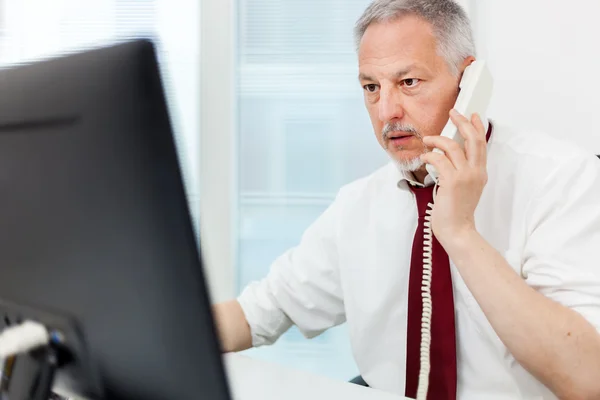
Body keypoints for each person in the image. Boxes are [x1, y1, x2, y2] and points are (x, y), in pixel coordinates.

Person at [213, 0, 600, 399]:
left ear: (468, 81)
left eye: (408, 82)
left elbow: (588, 379)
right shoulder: (359, 204)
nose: (386, 111)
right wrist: (155, 335)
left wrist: (461, 234)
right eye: (371, 87)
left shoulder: (560, 179)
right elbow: (260, 312)